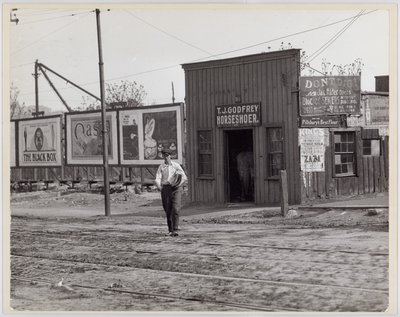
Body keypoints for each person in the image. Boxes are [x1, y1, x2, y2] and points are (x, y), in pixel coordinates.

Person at [155, 148, 187, 237]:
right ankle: (170, 229)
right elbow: (158, 178)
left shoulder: (176, 166)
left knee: (176, 208)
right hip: (166, 188)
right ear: (162, 156)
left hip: (176, 189)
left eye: (167, 156)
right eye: (164, 156)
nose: (166, 157)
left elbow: (183, 177)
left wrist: (178, 184)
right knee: (168, 209)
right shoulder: (161, 167)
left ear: (170, 156)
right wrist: (159, 187)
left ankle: (175, 230)